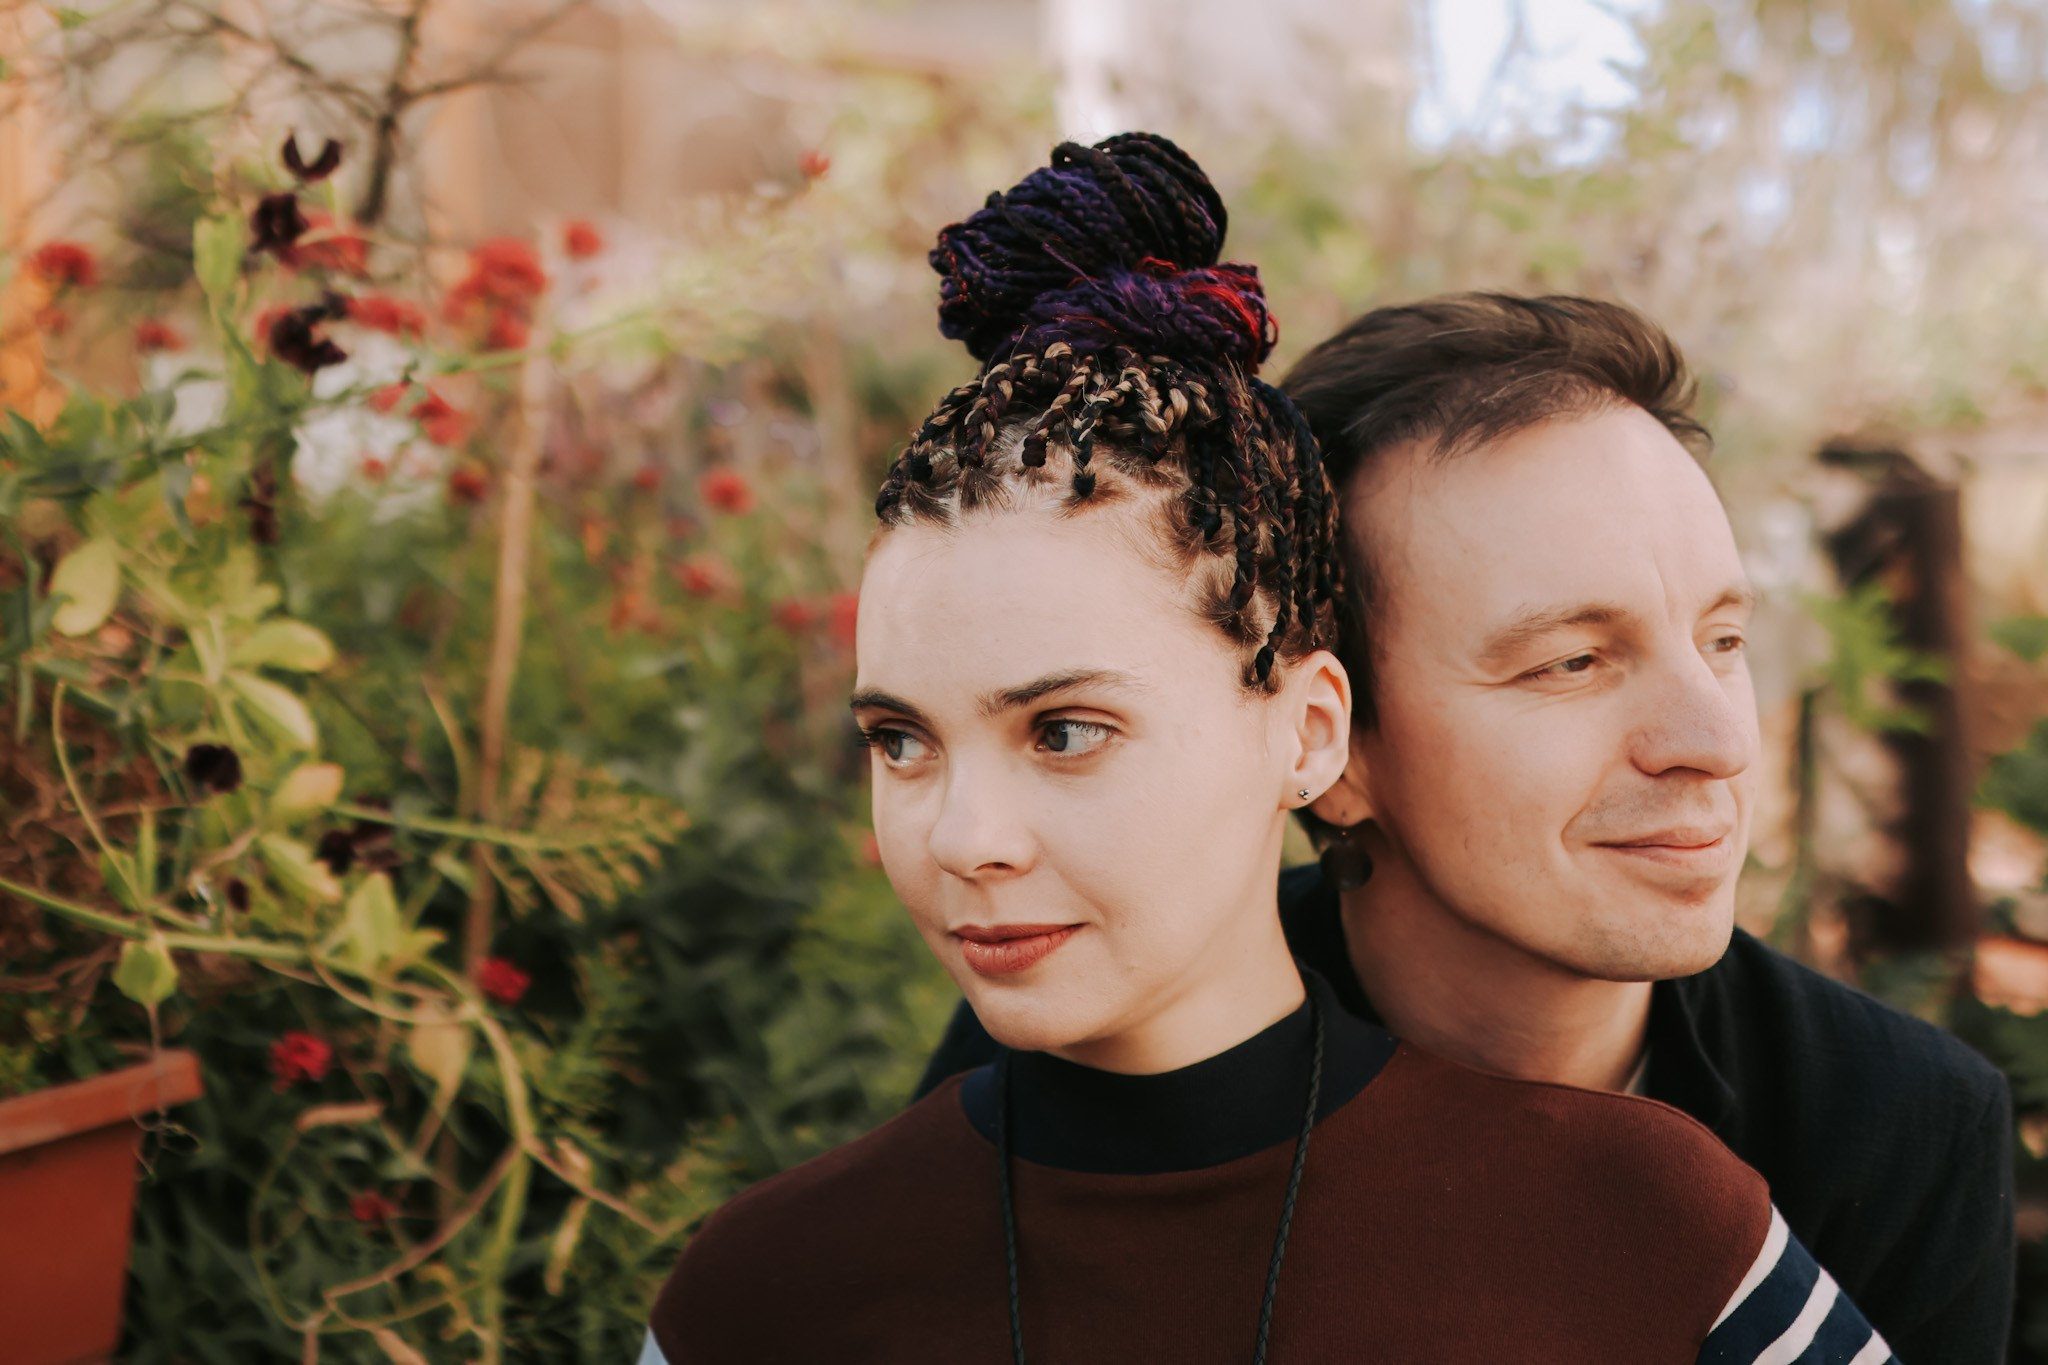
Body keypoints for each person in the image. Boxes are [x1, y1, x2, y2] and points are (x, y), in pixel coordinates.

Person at [644, 134, 1896, 1364]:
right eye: (900, 741)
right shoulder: (761, 1295)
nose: (963, 839)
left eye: (1066, 731)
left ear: (1308, 733)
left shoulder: (1658, 1228)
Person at [918, 288, 2018, 1359]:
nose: (1714, 741)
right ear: (1327, 746)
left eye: (1719, 641)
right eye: (1570, 662)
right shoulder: (1094, 1049)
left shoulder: (1893, 1126)